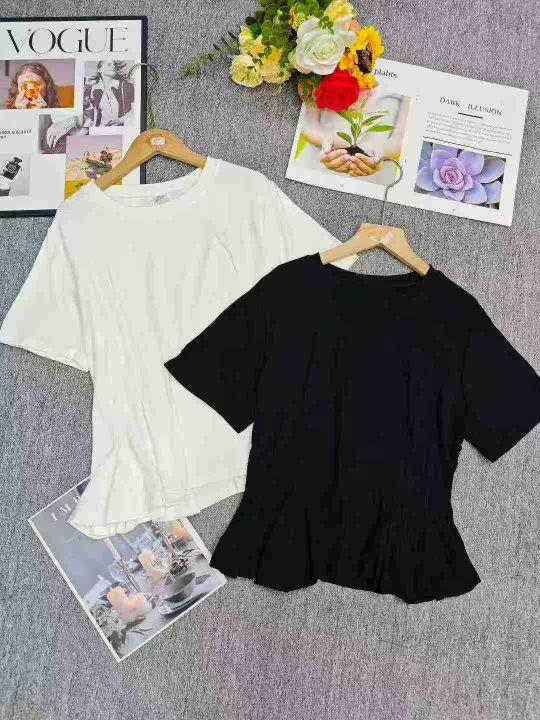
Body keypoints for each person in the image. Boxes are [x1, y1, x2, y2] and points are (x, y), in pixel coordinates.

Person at [83, 60, 135, 127]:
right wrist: (86, 127)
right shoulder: (94, 90)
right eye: (109, 64)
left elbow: (136, 109)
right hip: (101, 128)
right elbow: (93, 114)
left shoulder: (126, 86)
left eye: (114, 65)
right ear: (99, 70)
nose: (113, 66)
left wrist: (120, 120)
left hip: (121, 128)